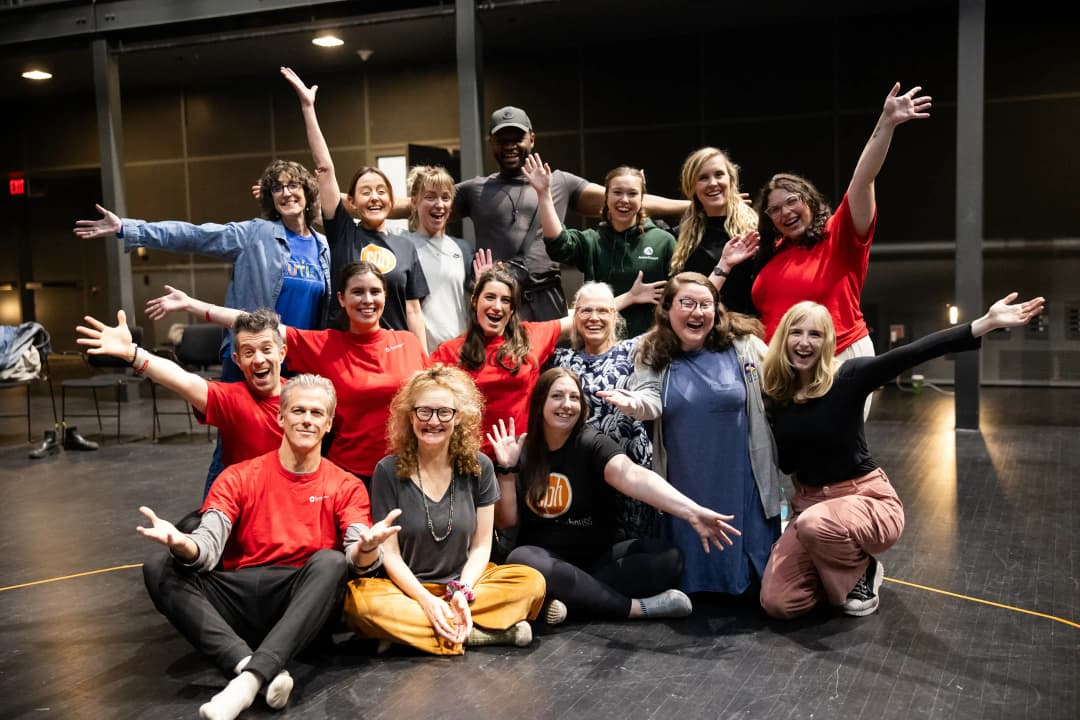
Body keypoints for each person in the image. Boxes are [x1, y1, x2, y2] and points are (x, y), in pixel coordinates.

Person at [758, 292, 1044, 619]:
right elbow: (788, 465)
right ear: (783, 338)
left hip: (865, 499)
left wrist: (985, 324)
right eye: (796, 332)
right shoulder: (777, 398)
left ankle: (862, 571)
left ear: (827, 342)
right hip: (810, 505)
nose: (804, 342)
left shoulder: (848, 377)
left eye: (815, 334)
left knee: (814, 524)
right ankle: (834, 571)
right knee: (779, 602)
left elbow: (913, 353)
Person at [139, 374, 401, 720]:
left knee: (332, 563)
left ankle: (246, 683)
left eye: (317, 413)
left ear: (328, 424)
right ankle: (252, 665)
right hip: (240, 594)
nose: (307, 419)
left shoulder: (346, 485)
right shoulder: (238, 476)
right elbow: (208, 547)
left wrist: (367, 550)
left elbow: (356, 555)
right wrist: (183, 544)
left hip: (300, 600)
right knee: (158, 567)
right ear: (281, 417)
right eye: (298, 411)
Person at [74, 159, 333, 493]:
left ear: (307, 191)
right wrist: (128, 228)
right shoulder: (256, 234)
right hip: (252, 358)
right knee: (234, 446)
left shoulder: (323, 247)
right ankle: (214, 518)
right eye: (277, 188)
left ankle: (286, 514)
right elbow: (194, 235)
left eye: (293, 185)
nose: (286, 193)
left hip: (298, 362)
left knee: (299, 444)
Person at [490, 368, 742, 622]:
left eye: (574, 397)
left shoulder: (591, 442)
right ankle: (633, 608)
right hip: (543, 560)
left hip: (595, 562)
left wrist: (692, 511)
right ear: (540, 402)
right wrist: (508, 471)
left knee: (669, 559)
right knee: (521, 559)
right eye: (557, 396)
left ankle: (567, 600)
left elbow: (632, 475)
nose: (566, 405)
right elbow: (506, 522)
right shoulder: (524, 449)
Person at [147, 261, 429, 485]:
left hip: (406, 469)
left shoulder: (408, 342)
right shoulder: (324, 344)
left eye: (374, 291)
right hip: (352, 474)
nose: (367, 300)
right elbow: (254, 325)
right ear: (342, 299)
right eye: (358, 292)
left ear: (385, 296)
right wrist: (191, 305)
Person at [599, 273, 787, 596]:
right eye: (687, 303)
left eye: (706, 304)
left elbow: (780, 379)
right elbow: (649, 400)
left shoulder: (743, 346)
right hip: (687, 479)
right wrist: (634, 404)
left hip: (741, 478)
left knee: (755, 586)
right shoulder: (652, 350)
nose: (697, 312)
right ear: (668, 309)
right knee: (689, 576)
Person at [344, 365, 547, 654]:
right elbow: (391, 556)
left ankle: (411, 635)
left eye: (444, 412)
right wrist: (426, 600)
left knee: (531, 582)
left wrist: (461, 593)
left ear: (459, 417)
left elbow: (481, 547)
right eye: (424, 412)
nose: (433, 421)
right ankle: (477, 634)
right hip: (407, 591)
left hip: (466, 585)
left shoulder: (480, 466)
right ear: (410, 416)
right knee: (359, 604)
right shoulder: (387, 470)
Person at [736, 84, 932, 368]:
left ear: (810, 202)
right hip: (783, 365)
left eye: (792, 201)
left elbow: (863, 179)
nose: (785, 212)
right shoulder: (772, 253)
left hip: (839, 357)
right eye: (775, 209)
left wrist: (886, 123)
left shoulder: (838, 235)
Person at [446, 105, 688, 321]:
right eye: (502, 139)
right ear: (491, 142)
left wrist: (693, 206)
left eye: (517, 138)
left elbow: (620, 198)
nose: (510, 145)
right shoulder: (474, 189)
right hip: (499, 298)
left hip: (546, 297)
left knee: (553, 366)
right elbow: (423, 203)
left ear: (531, 138)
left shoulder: (560, 181)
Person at [281, 66, 429, 348]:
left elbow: (413, 312)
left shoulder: (407, 247)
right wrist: (308, 107)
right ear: (352, 202)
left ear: (390, 198)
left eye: (381, 191)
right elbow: (324, 169)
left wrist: (423, 363)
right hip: (345, 351)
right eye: (365, 191)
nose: (374, 197)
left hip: (393, 353)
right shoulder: (343, 233)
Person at [77, 308, 289, 470]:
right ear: (238, 360)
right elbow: (183, 380)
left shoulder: (305, 398)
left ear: (281, 353)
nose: (259, 359)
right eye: (249, 352)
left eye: (266, 349)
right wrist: (133, 354)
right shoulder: (231, 399)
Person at [528, 156, 673, 338]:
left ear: (642, 197)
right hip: (601, 349)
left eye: (633, 193)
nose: (624, 200)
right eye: (617, 192)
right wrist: (544, 195)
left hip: (653, 348)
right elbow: (558, 244)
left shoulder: (664, 242)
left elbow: (680, 297)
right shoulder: (592, 241)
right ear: (606, 197)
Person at [553, 282, 656, 540]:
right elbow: (530, 335)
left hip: (631, 469)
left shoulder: (636, 349)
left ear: (614, 315)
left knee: (632, 549)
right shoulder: (562, 359)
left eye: (603, 311)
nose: (594, 318)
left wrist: (722, 267)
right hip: (582, 472)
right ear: (574, 317)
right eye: (585, 311)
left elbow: (684, 314)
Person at [668, 147, 761, 316]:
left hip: (746, 333)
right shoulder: (679, 237)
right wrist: (690, 205)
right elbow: (635, 204)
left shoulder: (756, 230)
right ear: (692, 187)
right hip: (696, 332)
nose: (712, 183)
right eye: (703, 178)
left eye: (719, 175)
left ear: (731, 180)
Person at [401, 164, 477, 349]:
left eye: (445, 197)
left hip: (458, 355)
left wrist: (481, 286)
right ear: (414, 202)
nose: (439, 204)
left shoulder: (462, 248)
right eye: (430, 197)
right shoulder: (401, 244)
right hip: (420, 356)